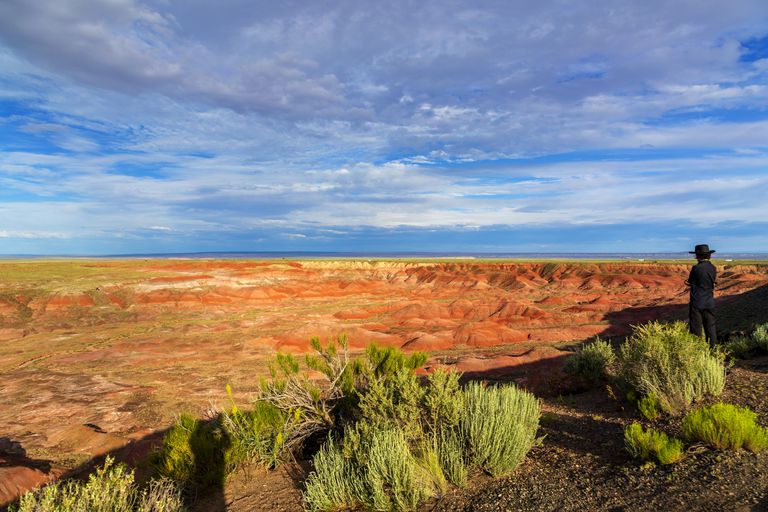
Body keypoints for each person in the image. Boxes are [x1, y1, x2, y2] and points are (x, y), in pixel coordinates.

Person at [685, 244, 717, 346]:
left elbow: (690, 281)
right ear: (709, 256)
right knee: (710, 327)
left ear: (697, 256)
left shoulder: (696, 268)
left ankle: (697, 350)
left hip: (697, 302)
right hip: (709, 302)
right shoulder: (713, 267)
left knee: (696, 328)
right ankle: (713, 351)